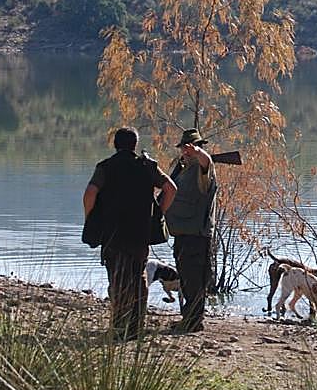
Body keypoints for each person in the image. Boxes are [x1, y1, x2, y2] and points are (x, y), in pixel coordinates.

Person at [83, 127, 176, 340]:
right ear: (134, 145)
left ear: (115, 144)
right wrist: (158, 213)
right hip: (139, 233)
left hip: (112, 234)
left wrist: (90, 218)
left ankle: (118, 327)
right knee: (138, 277)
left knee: (117, 279)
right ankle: (135, 328)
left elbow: (90, 193)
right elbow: (171, 189)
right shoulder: (147, 166)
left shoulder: (106, 167)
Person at [166, 128, 217, 332]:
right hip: (183, 235)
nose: (185, 152)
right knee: (187, 280)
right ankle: (189, 319)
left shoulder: (202, 169)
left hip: (196, 236)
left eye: (189, 148)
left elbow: (207, 163)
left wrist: (197, 153)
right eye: (184, 148)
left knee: (194, 281)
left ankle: (193, 322)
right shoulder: (183, 169)